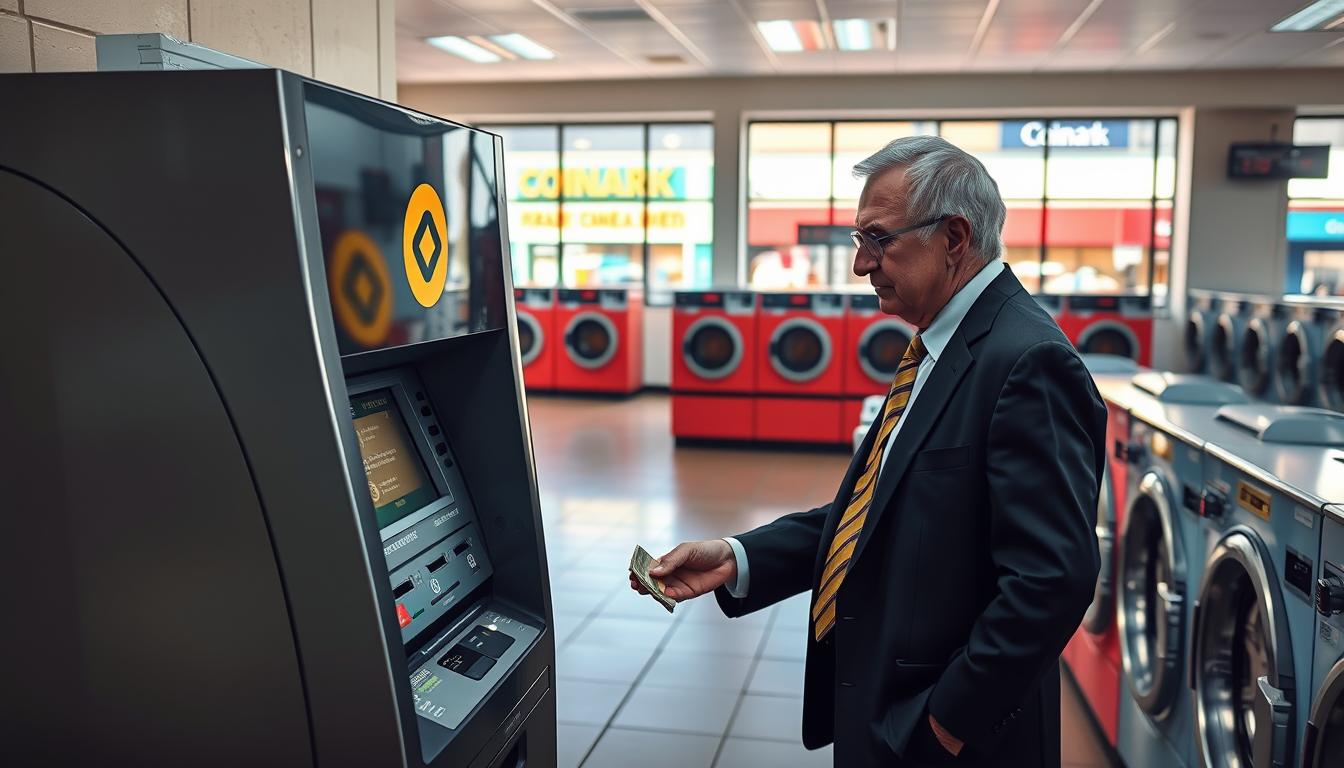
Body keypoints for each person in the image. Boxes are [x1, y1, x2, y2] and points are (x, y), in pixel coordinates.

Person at [631, 135, 1106, 767]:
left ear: (954, 239)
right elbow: (879, 514)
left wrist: (944, 724)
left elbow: (1052, 581)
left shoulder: (1026, 360)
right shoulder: (944, 342)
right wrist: (739, 557)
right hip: (894, 712)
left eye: (878, 240)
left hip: (951, 739)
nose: (861, 265)